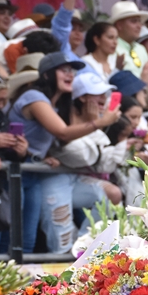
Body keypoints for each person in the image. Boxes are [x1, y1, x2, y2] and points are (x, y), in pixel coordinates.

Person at [7, 52, 120, 253]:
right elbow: (62, 133)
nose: (70, 74)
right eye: (64, 70)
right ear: (47, 74)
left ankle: (84, 250)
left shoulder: (56, 105)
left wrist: (44, 155)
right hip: (17, 174)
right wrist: (100, 123)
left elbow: (53, 139)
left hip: (34, 172)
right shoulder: (34, 97)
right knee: (22, 239)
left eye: (73, 71)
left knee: (27, 238)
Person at [52, 71, 129, 206]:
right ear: (82, 98)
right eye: (98, 94)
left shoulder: (97, 122)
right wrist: (96, 124)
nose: (103, 98)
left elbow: (104, 164)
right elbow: (82, 156)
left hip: (81, 181)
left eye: (104, 94)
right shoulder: (62, 119)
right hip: (56, 180)